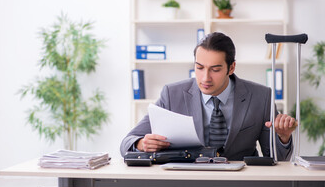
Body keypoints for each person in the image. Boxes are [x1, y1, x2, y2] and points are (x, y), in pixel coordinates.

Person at [120, 32, 296, 160]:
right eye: (199, 67)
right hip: (186, 183)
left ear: (232, 67)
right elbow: (126, 143)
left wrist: (283, 137)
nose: (205, 78)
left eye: (215, 69)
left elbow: (276, 160)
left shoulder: (261, 97)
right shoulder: (172, 94)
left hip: (240, 184)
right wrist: (141, 144)